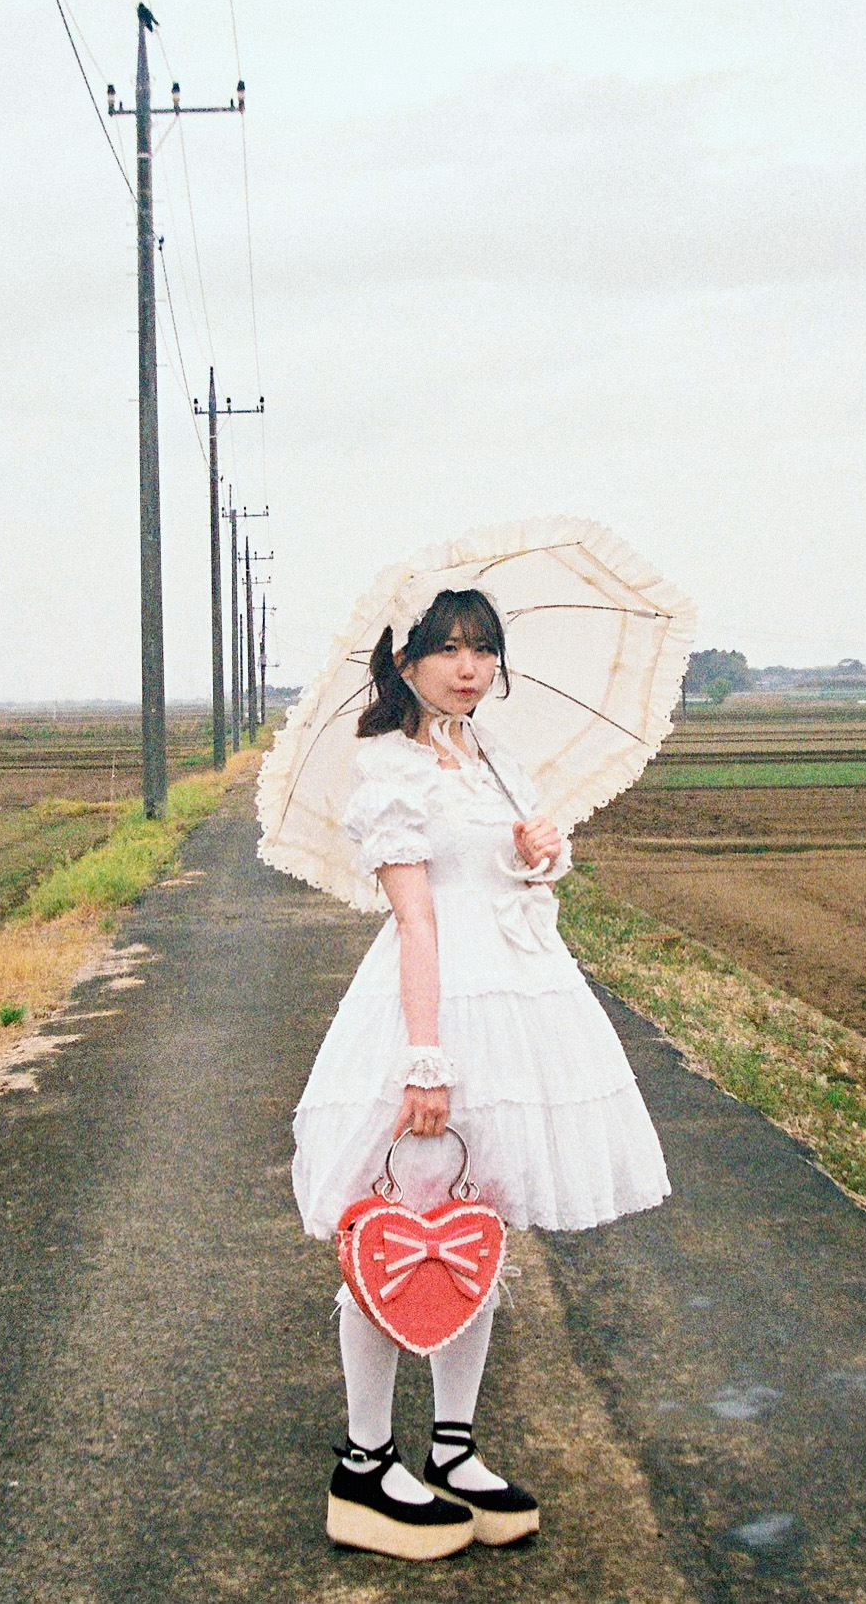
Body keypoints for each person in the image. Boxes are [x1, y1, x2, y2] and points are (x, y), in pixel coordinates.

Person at [290, 585, 671, 1561]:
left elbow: (510, 879)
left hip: (519, 1007)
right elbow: (419, 917)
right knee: (392, 1233)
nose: (470, 667)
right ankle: (365, 1463)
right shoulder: (389, 766)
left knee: (475, 1230)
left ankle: (453, 1451)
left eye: (484, 649)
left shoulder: (496, 756)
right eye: (449, 648)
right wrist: (425, 1061)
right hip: (433, 1006)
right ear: (405, 661)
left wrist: (542, 854)